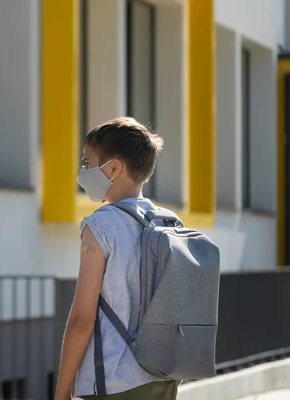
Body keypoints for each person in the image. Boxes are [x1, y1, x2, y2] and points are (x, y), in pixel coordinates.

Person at [54, 117, 178, 400]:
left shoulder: (101, 226)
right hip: (164, 377)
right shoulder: (170, 222)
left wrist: (62, 391)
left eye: (87, 163)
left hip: (113, 381)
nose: (82, 172)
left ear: (113, 168)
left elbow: (82, 319)